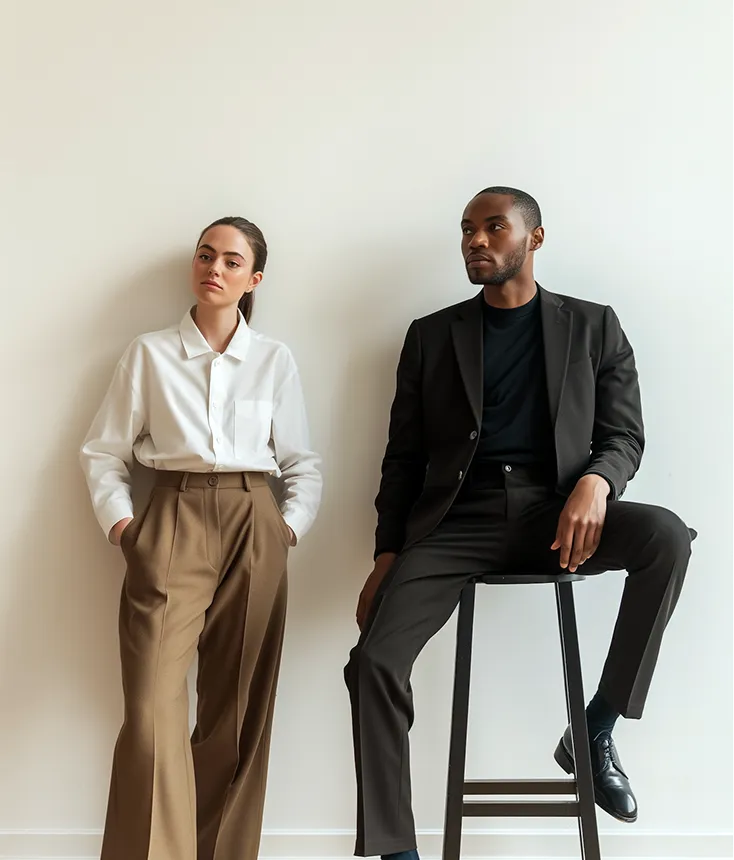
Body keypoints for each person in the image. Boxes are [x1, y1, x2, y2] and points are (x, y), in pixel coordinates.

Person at [344, 187, 694, 860]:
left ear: (533, 238)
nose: (476, 240)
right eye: (467, 230)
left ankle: (594, 727)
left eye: (493, 227)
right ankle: (396, 850)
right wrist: (387, 555)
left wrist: (596, 482)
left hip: (556, 514)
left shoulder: (594, 327)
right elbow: (403, 459)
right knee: (372, 665)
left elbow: (624, 435)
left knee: (667, 538)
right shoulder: (431, 336)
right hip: (455, 522)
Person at [80, 216, 322, 860]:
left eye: (231, 262)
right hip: (170, 516)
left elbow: (302, 462)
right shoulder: (149, 353)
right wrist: (126, 527)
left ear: (253, 279)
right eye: (205, 256)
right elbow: (103, 453)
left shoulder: (274, 359)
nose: (214, 269)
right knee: (152, 713)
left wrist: (286, 529)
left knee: (235, 712)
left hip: (255, 520)